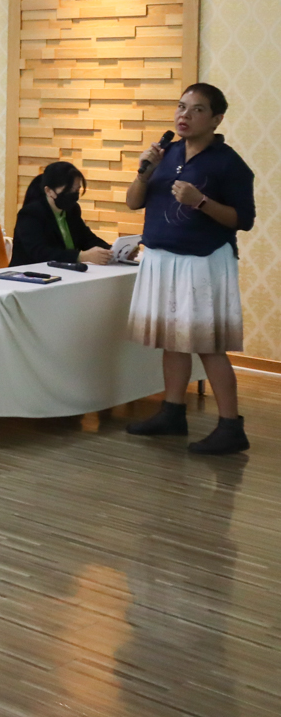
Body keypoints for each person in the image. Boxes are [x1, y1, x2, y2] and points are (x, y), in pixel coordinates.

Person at [124, 83, 257, 455]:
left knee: (207, 345)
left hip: (203, 261)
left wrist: (201, 202)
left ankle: (231, 427)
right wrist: (144, 173)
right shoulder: (165, 153)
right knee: (172, 339)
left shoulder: (228, 163)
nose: (184, 115)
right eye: (181, 106)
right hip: (161, 257)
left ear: (216, 119)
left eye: (197, 109)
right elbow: (133, 202)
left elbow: (243, 220)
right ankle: (172, 413)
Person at [9, 161, 112, 266]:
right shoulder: (31, 214)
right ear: (49, 191)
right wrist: (80, 257)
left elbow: (86, 238)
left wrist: (110, 251)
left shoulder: (72, 210)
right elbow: (40, 253)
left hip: (63, 271)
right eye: (67, 191)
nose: (73, 195)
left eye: (77, 190)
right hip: (30, 272)